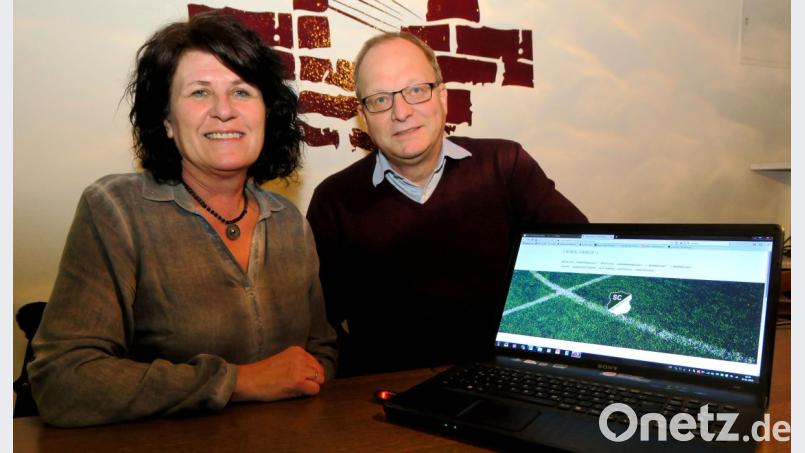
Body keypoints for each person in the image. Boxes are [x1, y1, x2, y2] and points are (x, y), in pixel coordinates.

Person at [28, 12, 337, 427]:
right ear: (168, 121)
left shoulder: (290, 223)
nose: (224, 111)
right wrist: (239, 381)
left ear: (267, 112)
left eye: (242, 92)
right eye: (199, 93)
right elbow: (62, 381)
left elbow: (322, 349)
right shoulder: (116, 209)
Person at [306, 32, 587, 377]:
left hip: (507, 383)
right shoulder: (334, 201)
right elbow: (319, 326)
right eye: (380, 99)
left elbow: (581, 258)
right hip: (387, 401)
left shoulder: (505, 166)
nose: (401, 112)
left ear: (442, 97)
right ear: (363, 116)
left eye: (416, 90)